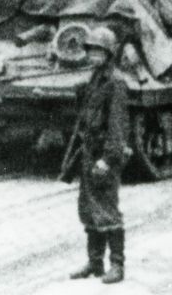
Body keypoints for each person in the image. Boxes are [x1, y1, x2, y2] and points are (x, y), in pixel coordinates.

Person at [61, 27, 130, 284]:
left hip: (104, 155)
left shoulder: (115, 82)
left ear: (109, 53)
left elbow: (117, 125)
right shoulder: (96, 78)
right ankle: (95, 262)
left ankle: (117, 266)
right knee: (89, 208)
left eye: (98, 51)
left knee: (108, 209)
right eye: (90, 50)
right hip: (89, 152)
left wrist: (108, 159)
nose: (93, 55)